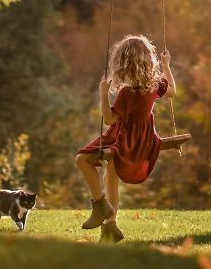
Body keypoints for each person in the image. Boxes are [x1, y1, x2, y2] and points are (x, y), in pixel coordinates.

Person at [75, 34, 189, 242]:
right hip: (144, 139)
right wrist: (166, 66)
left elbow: (109, 119)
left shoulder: (127, 93)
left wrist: (103, 94)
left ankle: (100, 206)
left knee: (82, 160)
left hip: (124, 138)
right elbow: (172, 91)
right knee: (110, 176)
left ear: (124, 64)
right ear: (148, 61)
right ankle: (110, 228)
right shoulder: (154, 86)